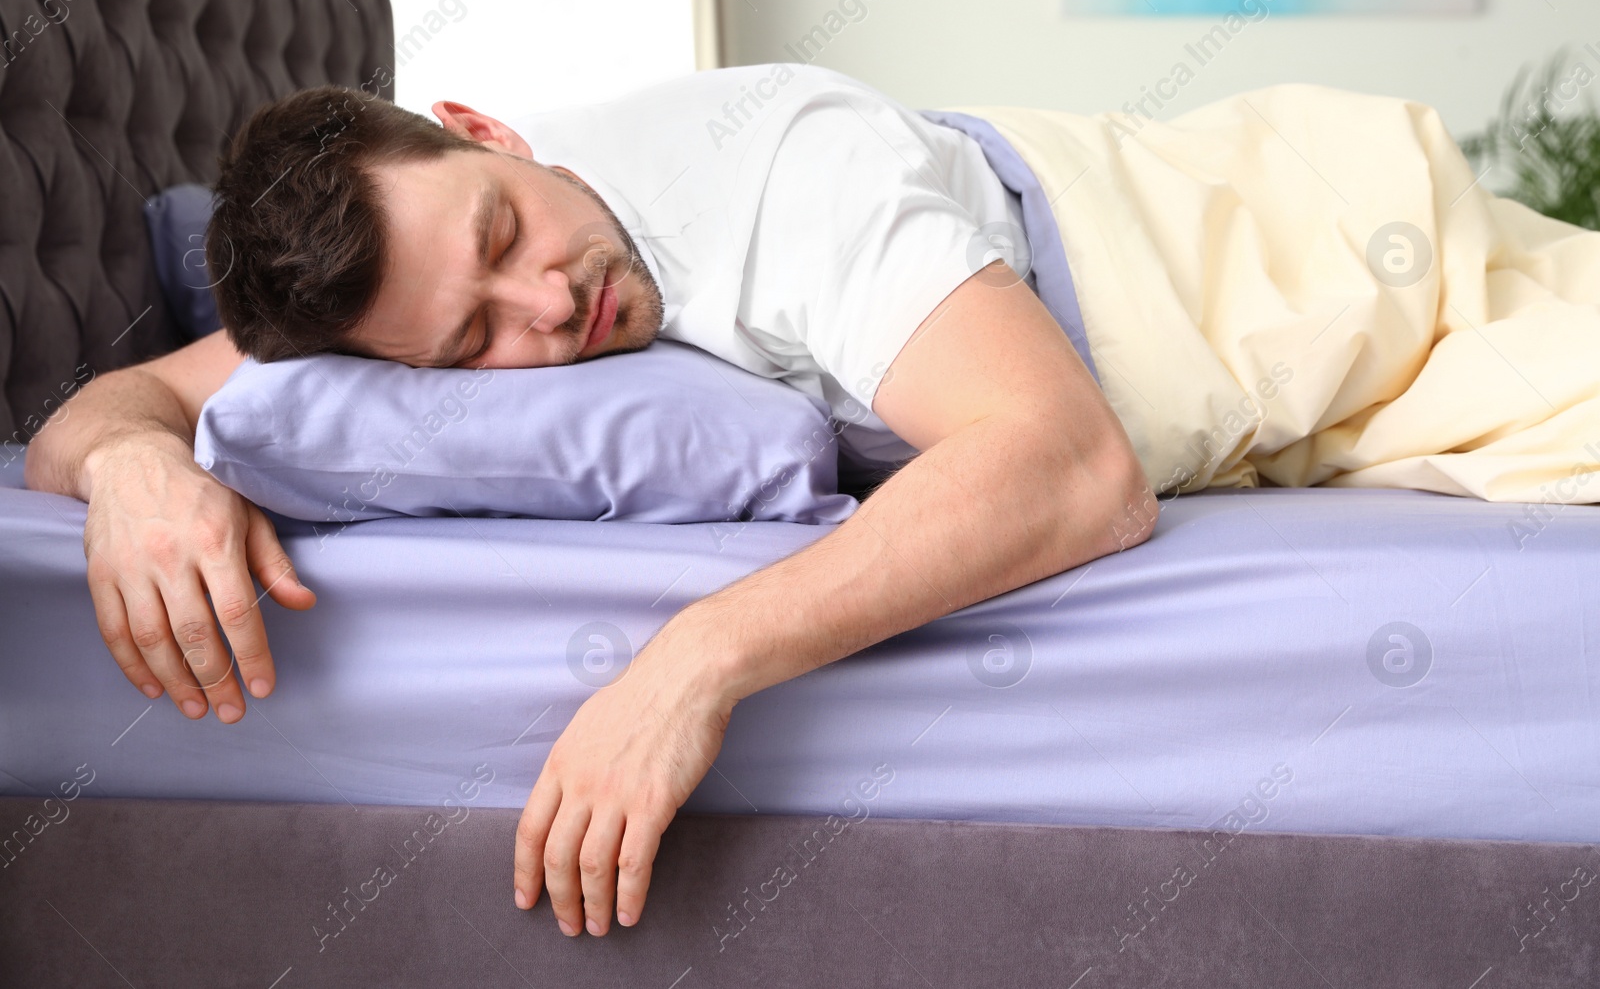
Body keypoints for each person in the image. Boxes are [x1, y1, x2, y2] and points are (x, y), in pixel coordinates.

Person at [24, 63, 1156, 940]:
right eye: (475, 336)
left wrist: (689, 666)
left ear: (482, 129)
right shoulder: (400, 270)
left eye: (504, 230)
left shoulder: (786, 178)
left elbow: (1076, 467)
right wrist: (135, 471)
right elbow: (105, 411)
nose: (551, 302)